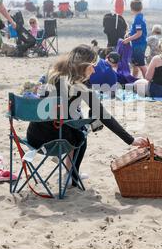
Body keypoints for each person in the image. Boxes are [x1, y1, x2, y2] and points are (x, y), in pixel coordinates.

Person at [27, 45, 149, 187]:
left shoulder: (52, 73)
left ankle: (69, 171)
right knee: (81, 133)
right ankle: (72, 175)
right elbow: (103, 114)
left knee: (71, 123)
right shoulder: (81, 84)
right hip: (55, 143)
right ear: (83, 65)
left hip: (33, 138)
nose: (95, 69)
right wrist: (130, 140)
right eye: (93, 65)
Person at [123, 0, 148, 79]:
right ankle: (133, 79)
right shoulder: (140, 17)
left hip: (139, 45)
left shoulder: (138, 19)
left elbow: (139, 33)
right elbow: (137, 31)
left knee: (141, 65)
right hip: (138, 44)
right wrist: (129, 33)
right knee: (135, 65)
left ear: (132, 9)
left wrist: (128, 39)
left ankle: (148, 81)